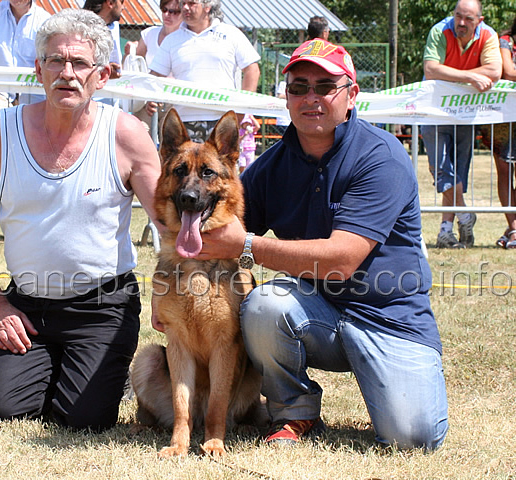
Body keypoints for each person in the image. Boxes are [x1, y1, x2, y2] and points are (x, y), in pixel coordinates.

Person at [159, 38, 449, 451]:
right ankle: (295, 410)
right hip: (318, 316)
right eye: (299, 87)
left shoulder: (381, 156)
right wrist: (165, 285)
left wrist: (246, 246)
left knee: (414, 438)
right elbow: (214, 220)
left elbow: (342, 260)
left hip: (389, 319)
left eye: (325, 86)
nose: (311, 97)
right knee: (263, 305)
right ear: (287, 97)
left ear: (351, 95)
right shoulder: (271, 166)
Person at [0, 9, 161, 430]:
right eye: (55, 61)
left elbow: (169, 226)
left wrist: (168, 294)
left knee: (82, 420)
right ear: (38, 70)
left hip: (104, 307)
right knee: (2, 413)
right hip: (27, 306)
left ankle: (103, 374)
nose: (67, 72)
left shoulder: (127, 135)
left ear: (103, 75)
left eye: (80, 63)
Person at [421, 0, 502, 248]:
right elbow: (431, 69)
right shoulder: (439, 31)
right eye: (458, 16)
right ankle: (466, 215)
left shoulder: (488, 35)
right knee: (441, 168)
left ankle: (446, 230)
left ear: (480, 19)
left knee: (457, 172)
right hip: (434, 111)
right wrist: (470, 76)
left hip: (466, 112)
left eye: (468, 18)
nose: (461, 23)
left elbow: (495, 70)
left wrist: (454, 74)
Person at [148, 0, 260, 142]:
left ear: (207, 6)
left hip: (223, 121)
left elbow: (252, 70)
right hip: (183, 122)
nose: (185, 8)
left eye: (192, 3)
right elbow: (155, 75)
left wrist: (242, 111)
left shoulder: (231, 34)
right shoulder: (171, 40)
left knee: (223, 165)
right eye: (183, 3)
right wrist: (150, 97)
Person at [480, 15, 516, 249]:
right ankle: (513, 227)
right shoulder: (505, 41)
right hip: (504, 121)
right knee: (505, 172)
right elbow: (509, 72)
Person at [121, 0, 181, 129]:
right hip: (148, 99)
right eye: (164, 10)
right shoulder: (150, 34)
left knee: (170, 142)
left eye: (174, 12)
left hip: (175, 101)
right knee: (139, 134)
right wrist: (128, 52)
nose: (167, 15)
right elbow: (133, 63)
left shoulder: (187, 39)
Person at [83, 0, 124, 80]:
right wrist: (102, 70)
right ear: (110, 3)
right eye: (121, 2)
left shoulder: (114, 26)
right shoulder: (80, 30)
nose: (123, 7)